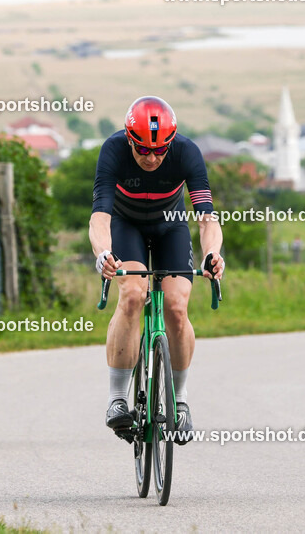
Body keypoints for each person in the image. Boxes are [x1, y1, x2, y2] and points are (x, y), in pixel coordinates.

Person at [90, 96, 224, 442]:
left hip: (170, 226)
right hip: (125, 226)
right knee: (134, 294)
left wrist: (212, 254)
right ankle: (117, 398)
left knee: (177, 307)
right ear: (129, 140)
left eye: (160, 151)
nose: (151, 158)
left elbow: (207, 217)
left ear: (171, 143)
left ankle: (178, 402)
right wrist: (103, 253)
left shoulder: (187, 152)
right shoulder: (113, 150)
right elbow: (101, 217)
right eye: (143, 151)